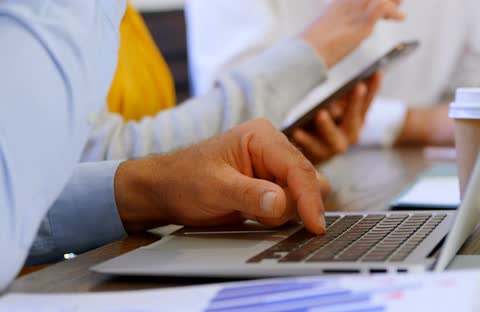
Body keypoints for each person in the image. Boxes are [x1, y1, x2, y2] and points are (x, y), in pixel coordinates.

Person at [1, 0, 403, 290]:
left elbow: (43, 180)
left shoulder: (120, 19)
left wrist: (150, 190)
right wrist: (311, 51)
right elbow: (69, 159)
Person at [186, 0, 480, 148]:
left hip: (400, 182)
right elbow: (229, 112)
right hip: (287, 188)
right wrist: (417, 124)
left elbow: (475, 79)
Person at [81, 1, 400, 165]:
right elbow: (98, 166)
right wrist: (315, 48)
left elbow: (130, 154)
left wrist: (263, 158)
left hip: (143, 242)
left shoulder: (118, 15)